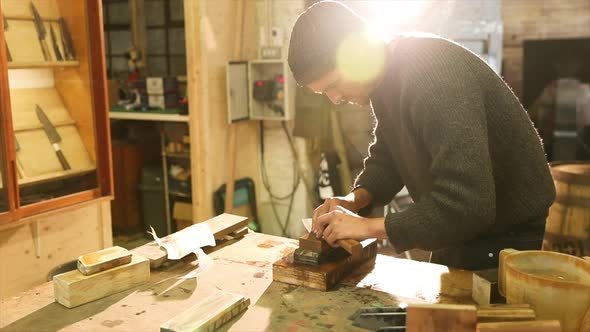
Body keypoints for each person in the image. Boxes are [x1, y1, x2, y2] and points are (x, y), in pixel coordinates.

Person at [287, 0, 556, 270]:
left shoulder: (430, 73)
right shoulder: (385, 78)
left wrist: (367, 227)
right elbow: (389, 157)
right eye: (325, 93)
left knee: (475, 312)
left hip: (504, 232)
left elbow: (469, 205)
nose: (335, 99)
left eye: (334, 84)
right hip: (464, 229)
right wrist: (354, 200)